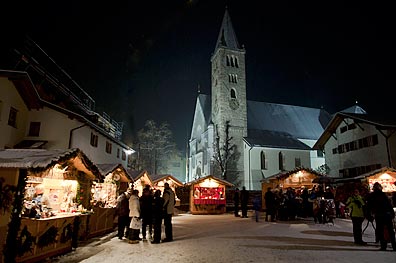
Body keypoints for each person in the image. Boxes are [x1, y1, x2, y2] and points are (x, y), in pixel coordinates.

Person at [367, 182, 396, 251]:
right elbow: (389, 205)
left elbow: (369, 207)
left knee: (381, 231)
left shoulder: (372, 196)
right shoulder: (383, 195)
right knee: (390, 231)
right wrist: (392, 213)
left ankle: (384, 246)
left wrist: (369, 216)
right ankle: (394, 246)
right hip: (387, 214)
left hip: (379, 215)